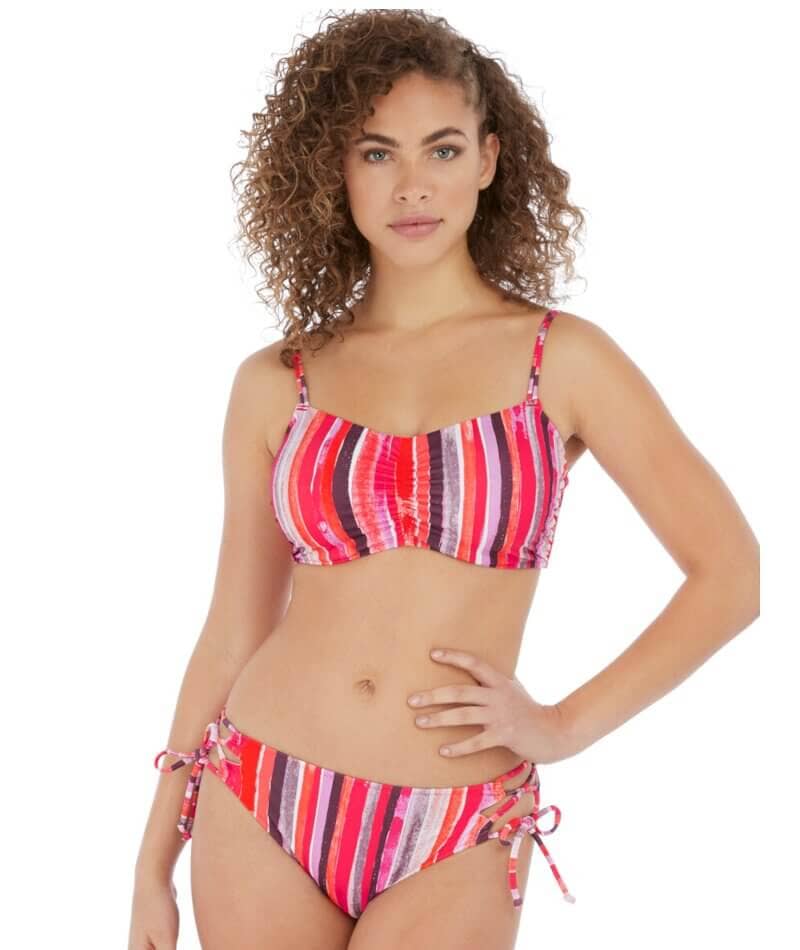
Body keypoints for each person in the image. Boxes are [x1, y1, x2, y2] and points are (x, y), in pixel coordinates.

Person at [128, 10, 760, 950]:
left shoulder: (564, 361)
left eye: (443, 148)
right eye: (377, 153)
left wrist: (563, 726)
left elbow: (732, 576)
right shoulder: (276, 380)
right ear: (334, 171)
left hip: (459, 823)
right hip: (262, 791)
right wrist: (152, 859)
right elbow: (232, 628)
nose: (413, 185)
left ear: (489, 159)